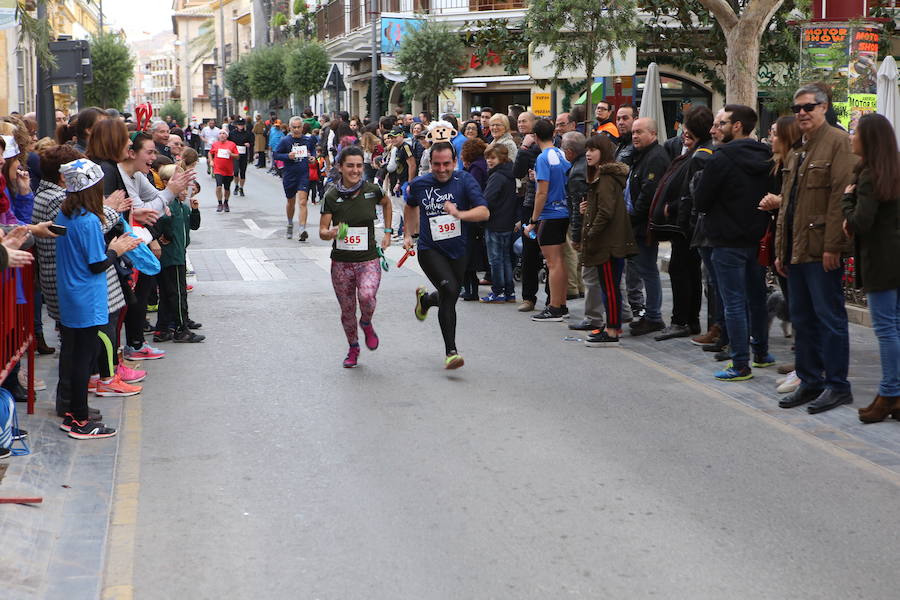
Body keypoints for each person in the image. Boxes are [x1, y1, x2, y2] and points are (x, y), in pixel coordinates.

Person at [775, 84, 858, 413]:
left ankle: (838, 385)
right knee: (802, 318)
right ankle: (810, 380)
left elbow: (841, 198)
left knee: (829, 318)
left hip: (821, 248)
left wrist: (834, 246)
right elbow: (788, 206)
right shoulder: (799, 148)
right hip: (797, 250)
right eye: (797, 109)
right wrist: (782, 250)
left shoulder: (838, 143)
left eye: (808, 107)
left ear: (824, 107)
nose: (802, 114)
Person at [55, 158, 140, 439]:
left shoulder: (64, 214)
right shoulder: (89, 221)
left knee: (75, 355)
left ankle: (73, 413)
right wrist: (116, 249)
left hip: (69, 293)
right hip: (87, 296)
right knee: (83, 358)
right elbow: (96, 264)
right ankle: (80, 420)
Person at [692, 105, 774, 381]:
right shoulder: (768, 155)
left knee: (734, 303)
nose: (716, 129)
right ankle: (761, 352)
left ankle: (740, 363)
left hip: (726, 240)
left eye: (721, 123)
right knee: (757, 298)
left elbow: (701, 200)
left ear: (737, 126)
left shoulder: (720, 158)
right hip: (757, 238)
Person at [405, 142, 489, 369]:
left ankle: (426, 300)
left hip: (459, 249)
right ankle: (451, 352)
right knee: (450, 291)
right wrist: (407, 234)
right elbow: (410, 206)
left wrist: (459, 213)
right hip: (429, 249)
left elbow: (484, 211)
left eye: (446, 164)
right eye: (436, 164)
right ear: (429, 163)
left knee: (449, 293)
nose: (441, 169)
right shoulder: (419, 184)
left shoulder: (465, 181)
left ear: (455, 162)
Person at [842, 114, 900, 422]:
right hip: (896, 260)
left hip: (880, 261)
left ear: (870, 140)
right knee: (897, 327)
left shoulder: (868, 175)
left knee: (886, 329)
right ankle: (895, 394)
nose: (851, 136)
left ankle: (889, 393)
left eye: (855, 133)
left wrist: (846, 202)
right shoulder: (894, 168)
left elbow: (860, 222)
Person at [318, 147, 392, 368]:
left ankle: (367, 322)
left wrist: (388, 233)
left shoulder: (372, 191)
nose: (355, 170)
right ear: (340, 167)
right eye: (350, 165)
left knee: (367, 297)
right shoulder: (331, 195)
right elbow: (322, 231)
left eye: (359, 165)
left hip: (368, 259)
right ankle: (353, 347)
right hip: (341, 263)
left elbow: (387, 204)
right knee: (347, 309)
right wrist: (330, 232)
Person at [648, 106, 712, 341]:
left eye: (687, 128)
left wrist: (673, 209)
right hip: (688, 225)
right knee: (688, 271)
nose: (684, 132)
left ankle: (681, 321)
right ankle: (690, 321)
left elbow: (693, 192)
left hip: (687, 226)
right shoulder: (698, 151)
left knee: (681, 270)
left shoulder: (702, 154)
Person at [580, 135, 635, 347]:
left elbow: (606, 212)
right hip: (610, 241)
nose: (588, 154)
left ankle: (612, 332)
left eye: (593, 149)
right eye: (587, 150)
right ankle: (612, 326)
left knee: (610, 288)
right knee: (609, 286)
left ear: (603, 152)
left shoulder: (605, 177)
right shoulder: (603, 177)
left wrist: (592, 232)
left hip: (608, 242)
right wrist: (586, 210)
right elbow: (602, 207)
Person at [625, 117, 670, 335]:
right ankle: (651, 315)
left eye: (639, 132)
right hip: (637, 223)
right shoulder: (642, 155)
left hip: (643, 225)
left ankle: (653, 316)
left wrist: (631, 216)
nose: (634, 136)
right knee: (644, 269)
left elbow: (648, 193)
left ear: (652, 133)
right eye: (633, 132)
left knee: (648, 270)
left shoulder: (655, 157)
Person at [526, 118, 571, 321]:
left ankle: (554, 307)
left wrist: (534, 219)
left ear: (535, 137)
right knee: (559, 261)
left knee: (553, 263)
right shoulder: (562, 153)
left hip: (550, 214)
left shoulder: (543, 158)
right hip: (564, 212)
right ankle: (561, 304)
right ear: (553, 133)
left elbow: (542, 192)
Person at [155, 163, 204, 343]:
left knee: (170, 295)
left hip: (178, 253)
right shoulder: (168, 204)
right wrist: (163, 235)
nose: (184, 184)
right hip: (171, 255)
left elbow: (193, 225)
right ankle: (181, 328)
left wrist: (195, 210)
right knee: (176, 294)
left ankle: (162, 329)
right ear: (167, 182)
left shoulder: (180, 205)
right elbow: (162, 221)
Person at [481, 143, 517, 303]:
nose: (489, 161)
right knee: (505, 258)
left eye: (493, 158)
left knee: (495, 260)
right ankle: (509, 292)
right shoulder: (509, 173)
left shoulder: (496, 176)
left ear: (502, 158)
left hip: (495, 222)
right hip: (507, 221)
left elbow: (488, 199)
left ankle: (498, 292)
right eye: (488, 158)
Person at [273, 117, 318, 240]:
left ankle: (302, 229)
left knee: (303, 202)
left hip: (303, 174)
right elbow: (275, 154)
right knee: (291, 202)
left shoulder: (307, 140)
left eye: (299, 127)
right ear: (290, 128)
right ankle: (290, 223)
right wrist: (287, 156)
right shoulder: (285, 141)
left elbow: (313, 150)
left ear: (302, 127)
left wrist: (313, 157)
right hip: (289, 175)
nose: (297, 129)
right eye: (294, 127)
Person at [210, 129, 238, 213]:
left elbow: (237, 156)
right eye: (220, 133)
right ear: (218, 135)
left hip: (228, 170)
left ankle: (226, 202)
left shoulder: (232, 144)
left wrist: (231, 154)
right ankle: (219, 203)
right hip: (218, 169)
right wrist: (211, 160)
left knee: (227, 188)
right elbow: (210, 153)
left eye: (224, 133)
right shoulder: (215, 144)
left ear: (227, 135)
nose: (222, 135)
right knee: (218, 186)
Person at [228, 118, 253, 197]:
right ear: (237, 125)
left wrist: (249, 144)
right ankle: (236, 185)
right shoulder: (232, 133)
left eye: (242, 125)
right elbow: (228, 142)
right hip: (235, 154)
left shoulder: (248, 133)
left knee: (242, 172)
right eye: (239, 125)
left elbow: (252, 142)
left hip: (244, 154)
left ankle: (241, 188)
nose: (241, 126)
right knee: (235, 171)